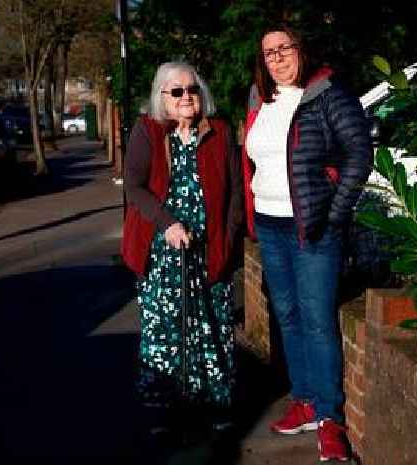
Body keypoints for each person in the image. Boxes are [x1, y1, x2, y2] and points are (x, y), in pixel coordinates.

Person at [242, 24, 372, 462]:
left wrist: (335, 214)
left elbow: (360, 154)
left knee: (317, 320)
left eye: (284, 49)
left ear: (302, 49)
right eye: (268, 53)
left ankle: (331, 418)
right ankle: (306, 400)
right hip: (270, 224)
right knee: (288, 315)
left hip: (313, 227)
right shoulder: (259, 100)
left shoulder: (328, 94)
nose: (276, 59)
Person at [121, 62, 244, 430]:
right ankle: (164, 407)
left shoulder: (218, 131)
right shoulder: (148, 131)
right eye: (177, 92)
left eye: (191, 89)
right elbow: (135, 186)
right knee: (164, 329)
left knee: (214, 324)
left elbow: (236, 190)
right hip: (163, 251)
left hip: (210, 249)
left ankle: (215, 403)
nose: (186, 97)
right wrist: (168, 223)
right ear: (162, 97)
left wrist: (229, 233)